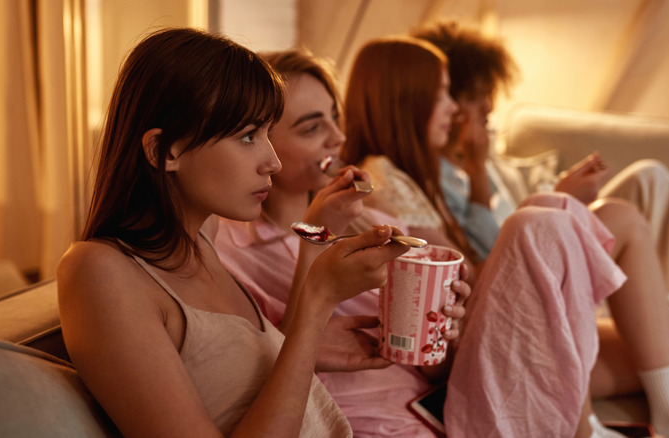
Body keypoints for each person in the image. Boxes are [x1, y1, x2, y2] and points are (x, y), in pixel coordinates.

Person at [341, 35, 669, 437]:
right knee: (614, 218)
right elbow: (462, 288)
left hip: (499, 323)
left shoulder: (420, 175)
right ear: (407, 99)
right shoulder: (384, 177)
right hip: (485, 347)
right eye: (444, 94)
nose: (456, 109)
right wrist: (555, 207)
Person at [213, 47, 628, 437]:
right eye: (312, 127)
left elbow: (432, 366)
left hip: (449, 406)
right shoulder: (233, 252)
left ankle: (587, 424)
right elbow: (286, 359)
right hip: (385, 421)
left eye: (335, 119)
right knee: (537, 222)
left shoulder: (372, 220)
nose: (338, 138)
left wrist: (446, 324)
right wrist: (316, 235)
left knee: (549, 209)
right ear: (264, 138)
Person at [55, 28, 411, 437]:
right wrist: (316, 306)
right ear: (164, 151)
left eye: (266, 134)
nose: (272, 162)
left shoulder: (201, 244)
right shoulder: (97, 271)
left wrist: (309, 337)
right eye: (247, 136)